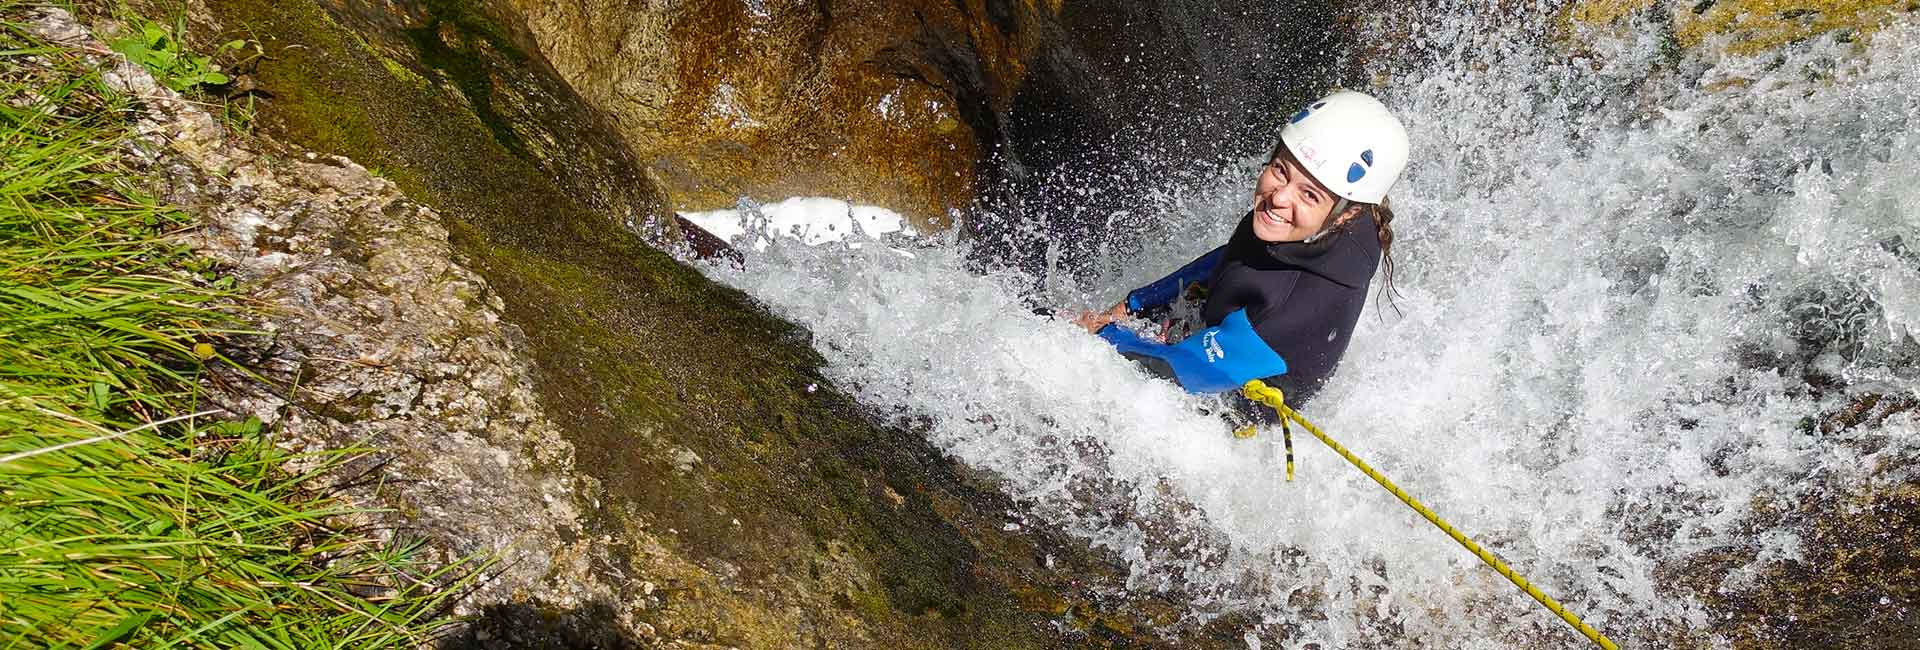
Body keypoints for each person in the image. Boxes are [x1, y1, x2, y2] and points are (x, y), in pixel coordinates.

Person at [1072, 90, 1410, 422]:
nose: (1279, 199)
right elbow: (1237, 256)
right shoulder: (1316, 220)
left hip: (1226, 407)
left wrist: (1104, 334)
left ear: (1347, 214)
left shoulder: (1286, 312)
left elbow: (1177, 372)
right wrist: (1134, 304)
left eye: (1308, 194)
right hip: (1228, 337)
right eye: (1281, 170)